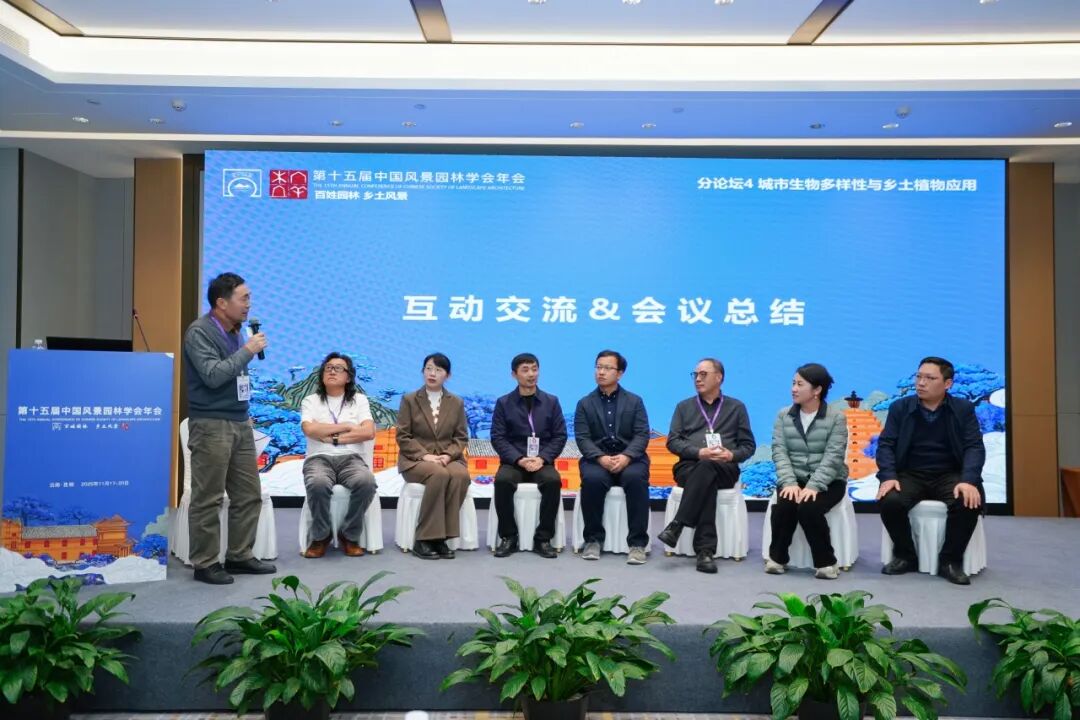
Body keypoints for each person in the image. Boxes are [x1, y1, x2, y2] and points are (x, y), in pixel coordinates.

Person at [181, 272, 275, 584]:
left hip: (239, 421)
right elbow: (212, 375)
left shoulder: (236, 331)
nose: (249, 304)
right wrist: (248, 350)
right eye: (244, 298)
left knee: (249, 494)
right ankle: (205, 562)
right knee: (208, 497)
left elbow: (236, 377)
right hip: (211, 424)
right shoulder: (200, 332)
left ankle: (239, 555)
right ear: (222, 303)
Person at [876, 356, 985, 585]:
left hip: (950, 474)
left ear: (948, 384)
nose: (921, 383)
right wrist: (888, 476)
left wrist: (968, 480)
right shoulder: (900, 408)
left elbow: (974, 446)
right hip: (911, 474)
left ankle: (950, 561)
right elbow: (886, 445)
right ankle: (905, 556)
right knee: (890, 500)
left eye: (929, 378)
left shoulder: (963, 409)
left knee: (967, 501)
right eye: (919, 377)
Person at [658, 358, 756, 574]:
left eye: (703, 374)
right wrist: (699, 452)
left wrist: (731, 454)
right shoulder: (684, 407)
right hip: (688, 466)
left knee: (708, 469)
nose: (698, 379)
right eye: (695, 375)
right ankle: (705, 551)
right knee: (705, 471)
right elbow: (673, 442)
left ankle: (678, 525)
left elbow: (748, 446)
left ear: (718, 377)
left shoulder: (736, 407)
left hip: (725, 468)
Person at [766, 363, 849, 580]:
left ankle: (826, 562)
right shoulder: (783, 415)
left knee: (809, 508)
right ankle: (777, 558)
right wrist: (789, 482)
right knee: (785, 504)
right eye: (793, 383)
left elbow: (834, 457)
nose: (793, 389)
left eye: (800, 384)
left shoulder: (836, 418)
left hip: (830, 481)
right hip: (794, 478)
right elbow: (779, 451)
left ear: (817, 390)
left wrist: (814, 486)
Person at [573, 350, 651, 565]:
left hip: (630, 458)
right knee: (592, 480)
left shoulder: (634, 401)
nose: (601, 372)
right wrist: (600, 458)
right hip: (597, 459)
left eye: (607, 368)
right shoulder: (585, 403)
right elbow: (582, 437)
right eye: (598, 367)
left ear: (620, 373)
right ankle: (593, 540)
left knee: (636, 479)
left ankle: (637, 543)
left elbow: (642, 434)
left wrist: (626, 456)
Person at [299, 352, 378, 558]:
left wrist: (331, 437)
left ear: (348, 377)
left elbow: (368, 432)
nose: (332, 371)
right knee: (317, 483)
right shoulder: (311, 400)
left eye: (338, 368)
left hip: (351, 458)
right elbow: (309, 429)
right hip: (319, 458)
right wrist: (347, 426)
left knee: (367, 482)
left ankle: (349, 535)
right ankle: (321, 536)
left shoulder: (359, 400)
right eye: (328, 368)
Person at [490, 353, 567, 559]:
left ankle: (543, 539)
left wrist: (542, 458)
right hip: (514, 462)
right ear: (514, 374)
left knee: (552, 481)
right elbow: (498, 437)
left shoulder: (551, 401)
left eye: (534, 369)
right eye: (525, 370)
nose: (531, 374)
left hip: (542, 461)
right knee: (503, 481)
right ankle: (509, 537)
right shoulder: (504, 403)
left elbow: (560, 436)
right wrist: (519, 459)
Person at [396, 352, 471, 560]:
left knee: (461, 476)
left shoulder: (456, 402)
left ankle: (441, 538)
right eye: (428, 369)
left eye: (438, 370)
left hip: (448, 458)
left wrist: (448, 455)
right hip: (415, 461)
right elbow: (403, 436)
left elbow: (461, 437)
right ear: (423, 371)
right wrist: (425, 456)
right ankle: (424, 539)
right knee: (438, 474)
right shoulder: (410, 400)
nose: (432, 373)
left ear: (448, 375)